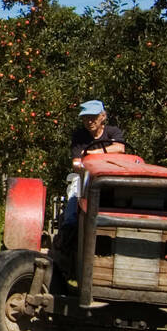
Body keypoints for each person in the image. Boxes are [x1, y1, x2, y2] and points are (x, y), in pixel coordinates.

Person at [60, 100, 126, 240]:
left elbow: (120, 148)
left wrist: (92, 153)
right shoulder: (79, 136)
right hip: (87, 175)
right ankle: (69, 228)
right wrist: (85, 166)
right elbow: (77, 163)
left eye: (93, 117)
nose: (89, 121)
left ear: (103, 116)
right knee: (75, 187)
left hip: (111, 176)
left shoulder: (113, 132)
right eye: (85, 118)